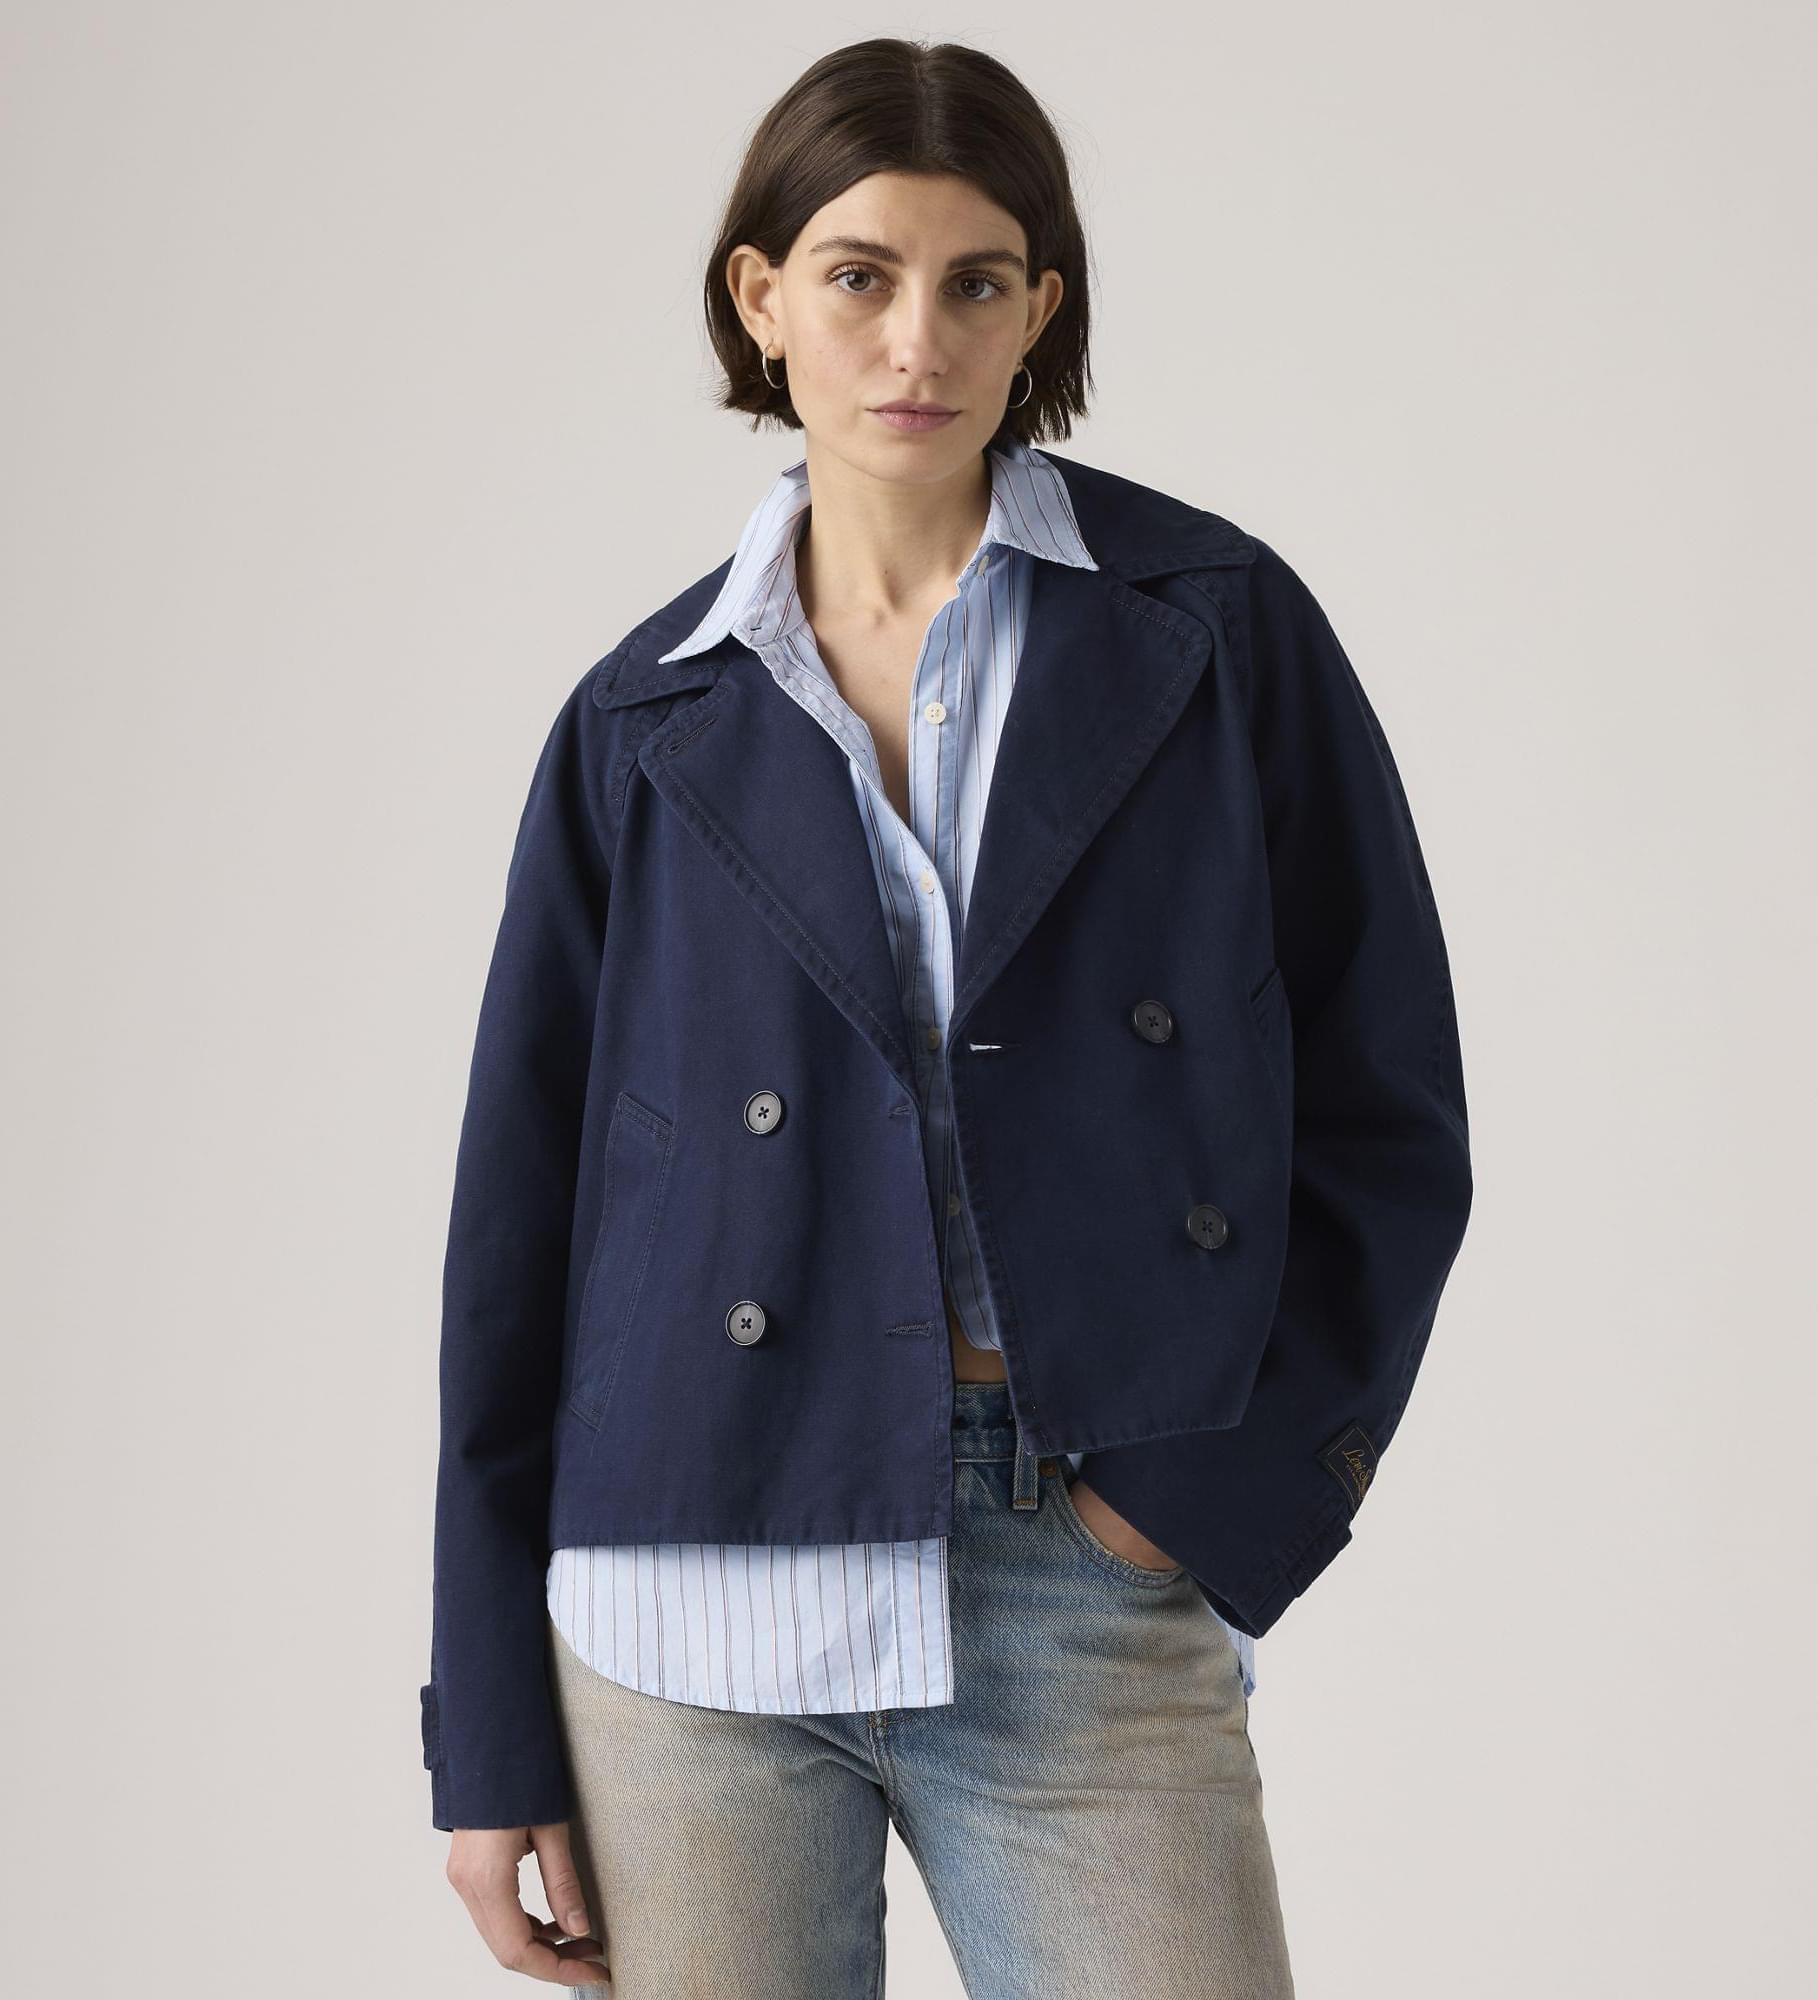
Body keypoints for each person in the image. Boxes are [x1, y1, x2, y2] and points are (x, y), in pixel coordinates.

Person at [422, 36, 1473, 1998]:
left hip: (1079, 1562)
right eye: (859, 275)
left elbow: (1387, 1097)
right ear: (761, 297)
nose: (917, 338)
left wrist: (1222, 1490)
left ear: (1038, 309)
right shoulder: (643, 720)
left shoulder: (1212, 630)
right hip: (686, 1611)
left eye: (975, 281)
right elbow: (519, 1241)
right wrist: (486, 1732)